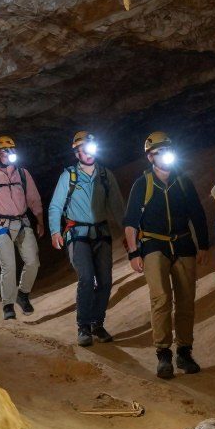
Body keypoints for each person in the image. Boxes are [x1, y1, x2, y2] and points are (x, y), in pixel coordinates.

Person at [123, 131, 210, 380]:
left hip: (183, 245)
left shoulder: (183, 181)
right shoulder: (142, 185)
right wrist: (133, 252)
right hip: (154, 245)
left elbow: (198, 214)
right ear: (151, 157)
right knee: (161, 299)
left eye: (167, 150)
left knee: (186, 300)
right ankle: (163, 354)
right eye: (159, 152)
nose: (165, 155)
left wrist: (203, 245)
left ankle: (184, 350)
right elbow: (131, 222)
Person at [48, 131, 126, 348]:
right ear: (77, 153)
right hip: (77, 236)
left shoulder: (105, 175)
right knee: (86, 277)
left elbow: (118, 207)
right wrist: (55, 231)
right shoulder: (69, 176)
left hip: (101, 234)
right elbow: (55, 206)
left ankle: (97, 323)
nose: (88, 152)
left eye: (91, 147)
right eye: (83, 149)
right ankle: (83, 326)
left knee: (105, 280)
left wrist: (130, 233)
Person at [0, 135, 44, 320]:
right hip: (1, 226)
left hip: (22, 223)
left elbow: (34, 199)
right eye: (2, 151)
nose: (6, 154)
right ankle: (8, 305)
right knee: (9, 266)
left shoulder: (23, 173)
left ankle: (22, 294)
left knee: (32, 262)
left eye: (9, 150)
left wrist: (40, 220)